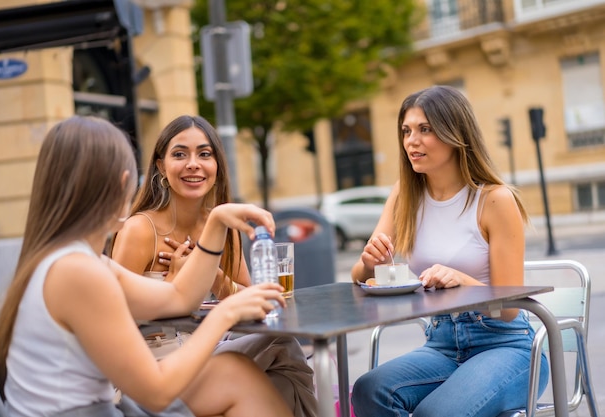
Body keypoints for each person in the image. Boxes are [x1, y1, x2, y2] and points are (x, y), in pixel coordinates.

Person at [0, 115, 295, 417]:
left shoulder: (71, 260)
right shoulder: (77, 272)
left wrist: (216, 222)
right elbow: (157, 392)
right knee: (237, 373)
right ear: (123, 182)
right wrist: (226, 313)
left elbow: (180, 297)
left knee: (237, 371)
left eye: (204, 154)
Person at [350, 85, 549, 417]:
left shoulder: (494, 200)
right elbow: (359, 277)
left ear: (455, 133)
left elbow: (510, 307)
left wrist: (460, 279)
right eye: (406, 130)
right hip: (442, 343)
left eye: (425, 129)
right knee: (369, 391)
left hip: (506, 345)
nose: (412, 140)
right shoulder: (404, 195)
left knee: (436, 413)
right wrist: (371, 263)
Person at [110, 115, 318, 417]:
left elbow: (255, 298)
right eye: (180, 154)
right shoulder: (141, 229)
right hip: (153, 364)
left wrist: (215, 276)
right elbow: (114, 317)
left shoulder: (222, 226)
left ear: (217, 165)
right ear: (160, 167)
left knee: (281, 359)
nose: (193, 164)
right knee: (279, 365)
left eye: (204, 154)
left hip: (205, 350)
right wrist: (175, 284)